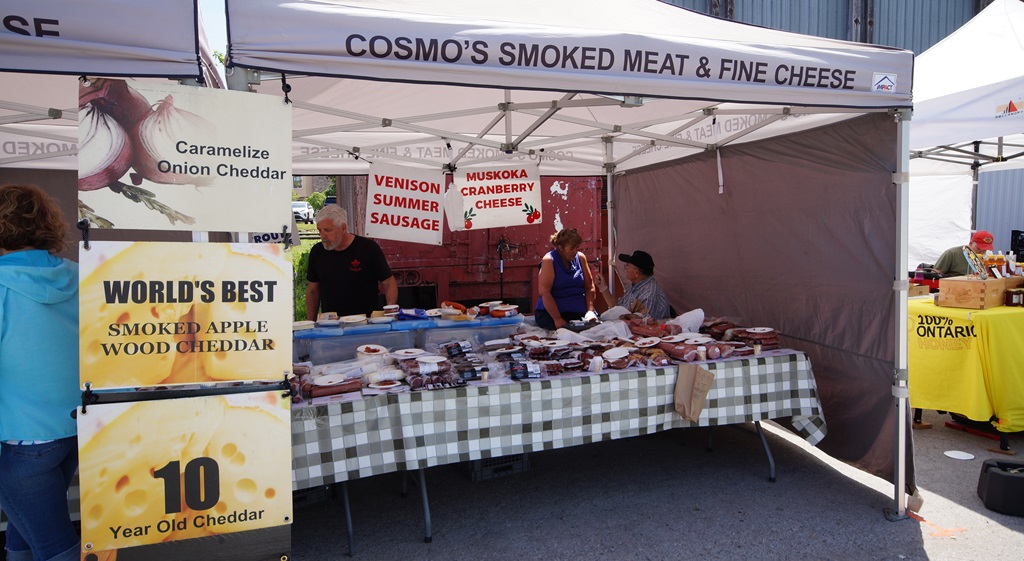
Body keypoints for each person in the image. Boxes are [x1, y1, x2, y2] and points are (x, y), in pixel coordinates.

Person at [0, 184, 81, 561]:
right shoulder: (80, 276)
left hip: (18, 440)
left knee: (53, 545)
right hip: (74, 428)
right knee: (25, 531)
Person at [306, 205, 398, 319]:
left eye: (327, 230)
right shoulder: (317, 252)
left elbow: (389, 283)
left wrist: (391, 312)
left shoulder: (368, 249)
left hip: (366, 323)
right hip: (331, 326)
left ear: (343, 228)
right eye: (319, 230)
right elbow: (312, 290)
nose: (322, 236)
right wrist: (310, 323)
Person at [534, 228, 597, 330]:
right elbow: (544, 292)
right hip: (552, 314)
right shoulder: (549, 260)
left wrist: (590, 311)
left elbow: (589, 287)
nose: (575, 251)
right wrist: (557, 318)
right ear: (560, 248)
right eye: (572, 249)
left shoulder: (581, 258)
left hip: (579, 313)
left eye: (577, 248)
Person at [594, 250, 672, 320]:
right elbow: (616, 308)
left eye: (627, 265)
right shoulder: (636, 285)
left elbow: (641, 325)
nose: (625, 268)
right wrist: (603, 287)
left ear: (636, 273)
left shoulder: (648, 294)